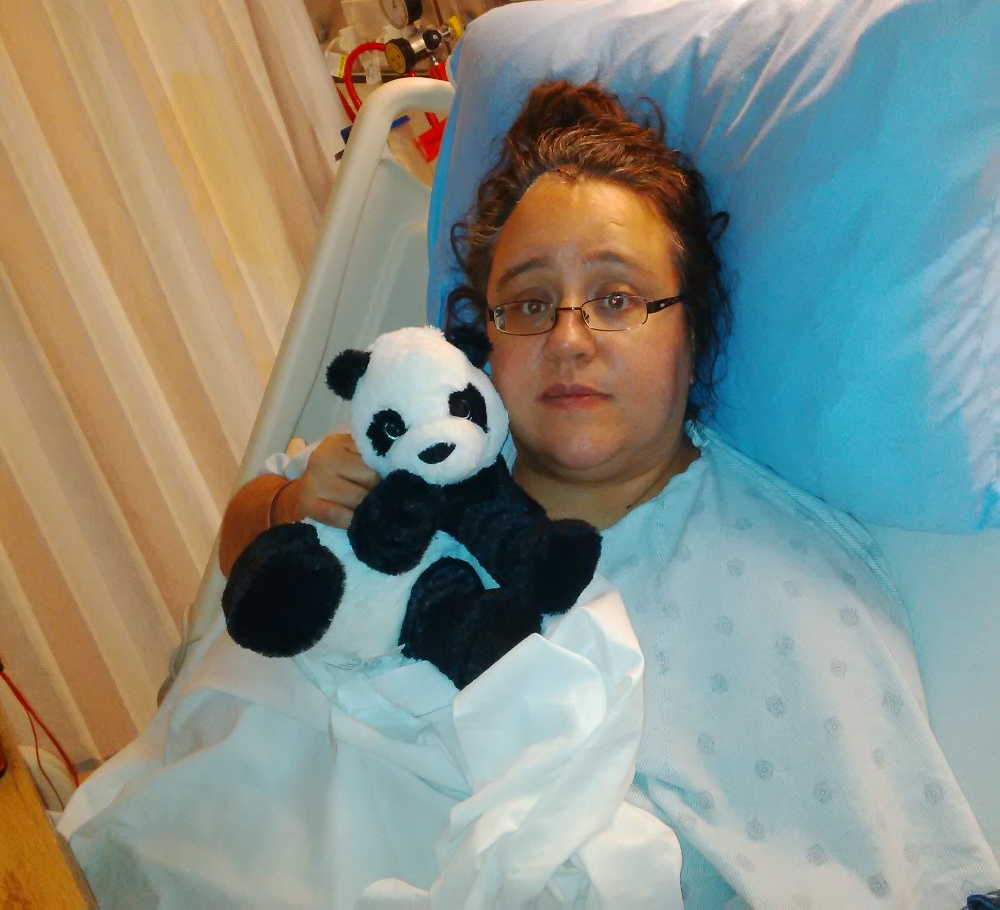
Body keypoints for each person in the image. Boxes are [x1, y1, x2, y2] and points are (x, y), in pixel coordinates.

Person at [218, 80, 998, 907]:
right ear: (486, 338)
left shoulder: (790, 580)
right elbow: (239, 541)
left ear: (691, 334)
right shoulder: (423, 445)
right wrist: (289, 506)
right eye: (529, 303)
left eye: (617, 299)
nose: (568, 339)